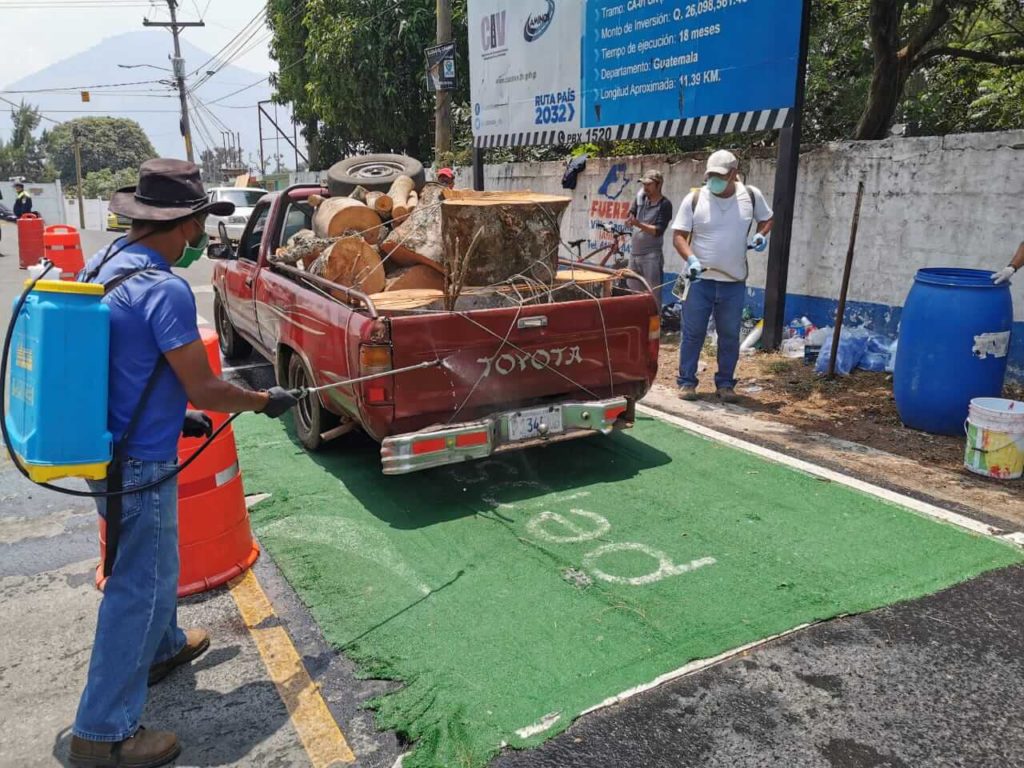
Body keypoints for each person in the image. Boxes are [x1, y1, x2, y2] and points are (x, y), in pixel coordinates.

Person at [68, 159, 298, 768]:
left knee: (148, 570)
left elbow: (134, 364)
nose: (203, 234)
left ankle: (165, 646)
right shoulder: (163, 288)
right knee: (138, 586)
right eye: (201, 222)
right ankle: (102, 732)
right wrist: (261, 400)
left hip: (106, 447)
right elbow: (205, 387)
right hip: (138, 464)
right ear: (188, 223)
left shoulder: (110, 263)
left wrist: (176, 416)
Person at [672, 150, 773, 403]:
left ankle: (726, 384)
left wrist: (761, 235)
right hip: (698, 282)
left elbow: (768, 218)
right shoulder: (695, 198)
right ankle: (687, 382)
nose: (713, 181)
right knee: (692, 333)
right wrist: (691, 260)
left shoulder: (750, 196)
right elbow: (678, 236)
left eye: (720, 176)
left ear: (733, 174)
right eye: (711, 176)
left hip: (733, 283)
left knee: (729, 335)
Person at [624, 169, 673, 310]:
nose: (645, 187)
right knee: (633, 293)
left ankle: (655, 325)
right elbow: (631, 212)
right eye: (644, 184)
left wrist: (638, 224)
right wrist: (630, 218)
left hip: (651, 256)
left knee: (653, 294)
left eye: (649, 184)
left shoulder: (665, 205)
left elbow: (658, 231)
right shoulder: (641, 199)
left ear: (658, 185)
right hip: (634, 254)